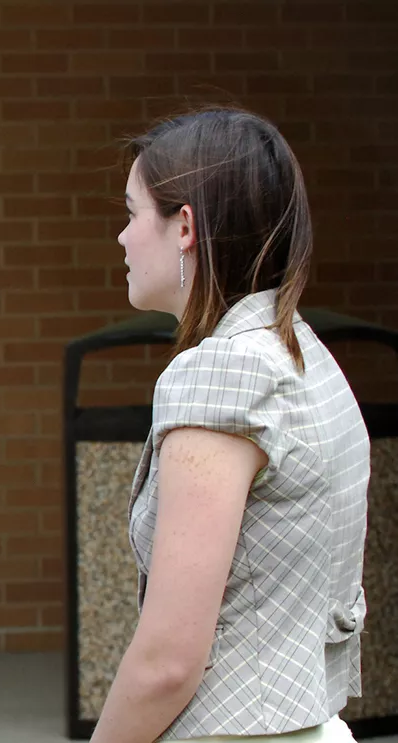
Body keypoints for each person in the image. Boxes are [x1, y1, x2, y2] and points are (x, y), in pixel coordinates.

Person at [91, 107, 368, 743]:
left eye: (133, 213)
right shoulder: (300, 350)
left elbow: (168, 661)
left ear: (183, 226)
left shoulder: (221, 375)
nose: (122, 237)